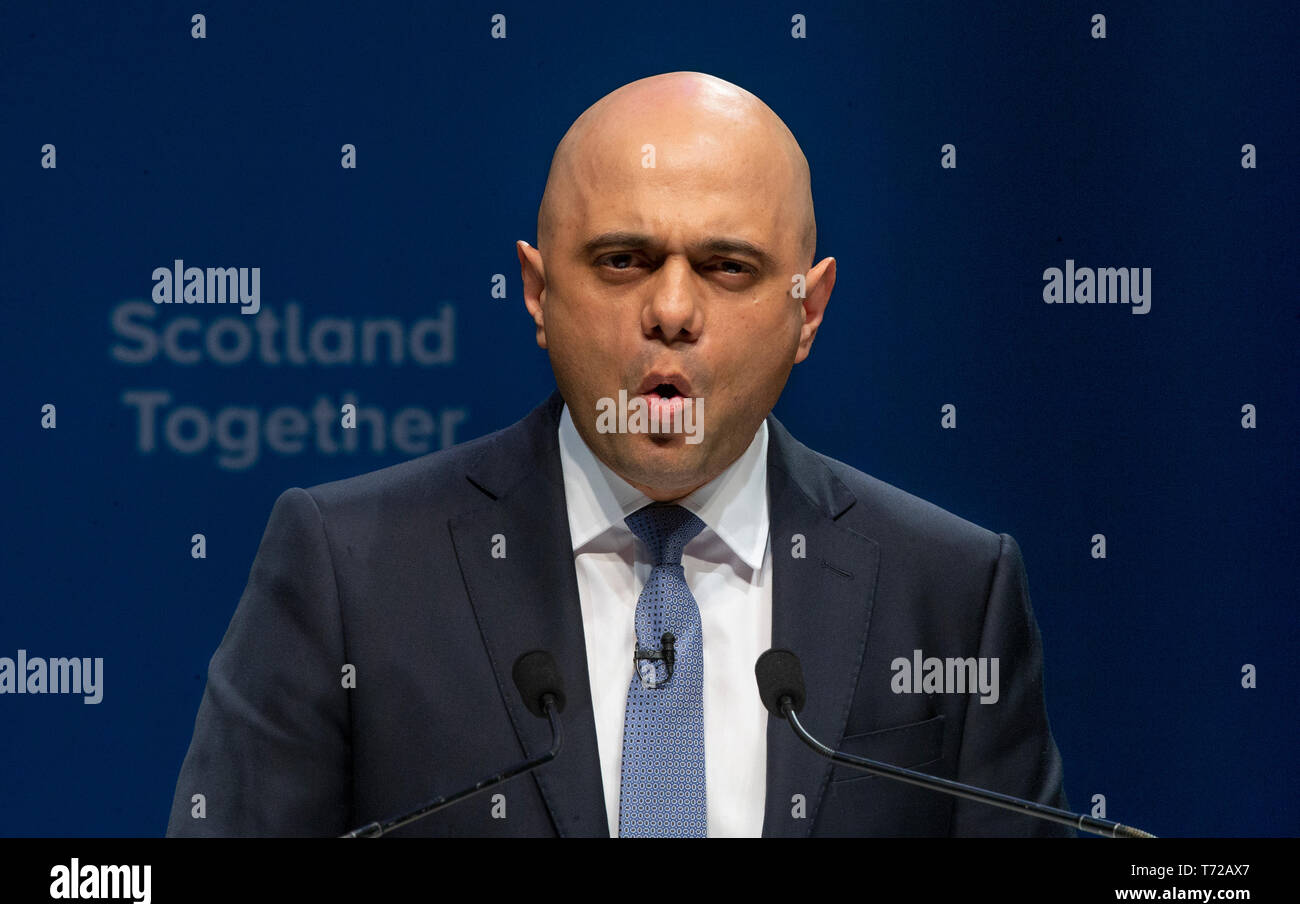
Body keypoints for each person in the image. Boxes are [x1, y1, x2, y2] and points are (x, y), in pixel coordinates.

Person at [166, 71, 1069, 837]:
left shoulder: (949, 591)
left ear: (810, 309)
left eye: (728, 267)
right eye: (624, 259)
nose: (672, 310)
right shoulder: (348, 573)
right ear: (537, 290)